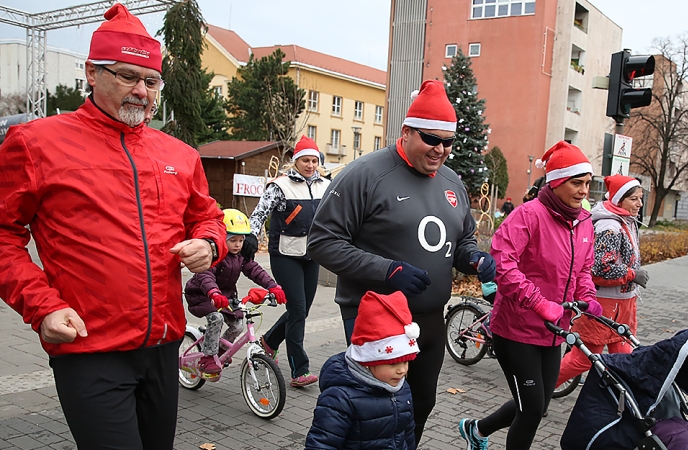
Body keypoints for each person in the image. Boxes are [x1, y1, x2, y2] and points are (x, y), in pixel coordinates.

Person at [0, 4, 227, 450]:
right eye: (126, 76)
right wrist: (41, 306)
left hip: (162, 346)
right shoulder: (35, 143)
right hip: (88, 346)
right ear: (91, 72)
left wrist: (208, 242)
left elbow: (208, 216)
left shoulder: (179, 154)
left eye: (151, 81)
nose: (140, 91)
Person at [307, 79, 496, 446]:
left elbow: (462, 239)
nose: (440, 149)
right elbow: (323, 242)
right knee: (372, 415)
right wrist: (387, 270)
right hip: (373, 315)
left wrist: (473, 257)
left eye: (448, 142)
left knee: (418, 406)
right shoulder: (366, 174)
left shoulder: (452, 182)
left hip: (428, 318)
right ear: (406, 131)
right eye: (430, 138)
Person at [458, 141, 602, 450]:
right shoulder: (528, 215)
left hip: (554, 332)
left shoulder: (584, 223)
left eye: (588, 184)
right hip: (517, 329)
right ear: (557, 181)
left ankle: (477, 429)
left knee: (538, 403)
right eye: (577, 183)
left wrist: (588, 297)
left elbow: (583, 271)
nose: (583, 191)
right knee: (532, 409)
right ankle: (478, 431)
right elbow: (503, 264)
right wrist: (538, 303)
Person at [248, 135, 330, 387]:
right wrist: (250, 238)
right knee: (297, 310)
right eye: (305, 160)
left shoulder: (325, 185)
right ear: (295, 162)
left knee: (301, 311)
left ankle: (269, 342)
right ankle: (299, 370)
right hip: (285, 256)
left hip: (312, 254)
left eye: (314, 161)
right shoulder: (280, 186)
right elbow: (259, 213)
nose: (310, 165)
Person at [555, 175, 648, 389]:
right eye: (634, 199)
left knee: (626, 360)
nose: (639, 204)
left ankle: (626, 408)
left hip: (622, 304)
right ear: (619, 200)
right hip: (603, 305)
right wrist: (633, 275)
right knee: (583, 359)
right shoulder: (609, 226)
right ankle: (539, 395)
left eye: (640, 198)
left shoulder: (626, 221)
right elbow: (599, 268)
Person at [304, 291, 419, 449]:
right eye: (393, 364)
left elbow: (407, 433)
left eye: (406, 362)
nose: (402, 370)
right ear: (368, 362)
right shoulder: (340, 398)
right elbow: (322, 443)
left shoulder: (402, 388)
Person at [184, 209, 287, 376]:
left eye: (241, 240)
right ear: (221, 237)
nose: (237, 245)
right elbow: (205, 275)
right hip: (202, 296)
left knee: (238, 325)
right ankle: (208, 357)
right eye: (232, 240)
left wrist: (273, 286)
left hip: (226, 298)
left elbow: (255, 271)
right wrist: (213, 293)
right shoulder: (214, 255)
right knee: (216, 319)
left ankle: (220, 351)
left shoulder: (241, 256)